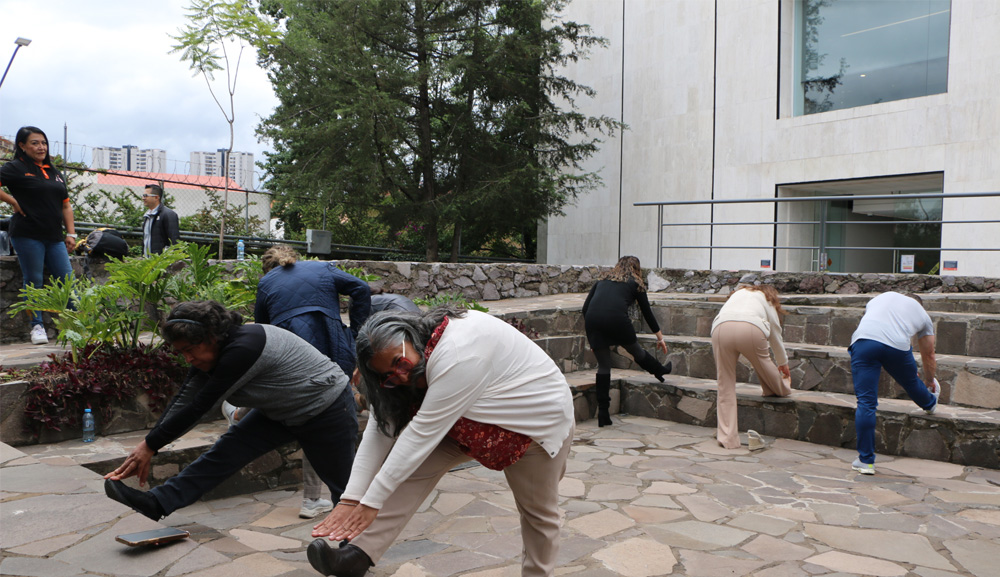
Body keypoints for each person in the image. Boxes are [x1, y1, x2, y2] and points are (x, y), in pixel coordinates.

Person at [306, 308, 575, 577]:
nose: (399, 377)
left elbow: (421, 434)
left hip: (532, 423)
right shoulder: (404, 361)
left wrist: (370, 503)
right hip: (469, 421)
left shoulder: (459, 352)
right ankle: (357, 557)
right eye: (388, 376)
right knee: (409, 472)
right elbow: (380, 429)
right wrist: (351, 499)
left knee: (539, 514)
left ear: (410, 338)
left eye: (401, 364)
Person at [103, 300, 358, 521]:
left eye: (190, 350)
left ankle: (353, 551)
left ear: (212, 337)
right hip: (283, 410)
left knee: (344, 488)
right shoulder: (217, 351)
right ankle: (157, 503)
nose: (187, 359)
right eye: (181, 353)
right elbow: (184, 399)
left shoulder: (243, 349)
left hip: (327, 406)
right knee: (223, 453)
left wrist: (151, 445)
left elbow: (199, 406)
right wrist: (149, 444)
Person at [235, 244, 371, 519]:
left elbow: (264, 332)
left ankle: (238, 413)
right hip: (332, 346)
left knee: (312, 415)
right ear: (294, 259)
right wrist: (358, 331)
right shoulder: (322, 268)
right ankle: (316, 499)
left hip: (292, 356)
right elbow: (362, 289)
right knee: (324, 415)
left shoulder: (266, 283)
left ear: (267, 267)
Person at [0, 126, 77, 345]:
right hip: (27, 234)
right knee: (33, 280)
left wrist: (70, 233)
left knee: (66, 280)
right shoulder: (15, 168)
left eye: (43, 142)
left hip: (54, 237)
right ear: (22, 146)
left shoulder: (53, 172)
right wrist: (13, 201)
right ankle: (37, 326)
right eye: (34, 143)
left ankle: (75, 323)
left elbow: (66, 206)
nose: (41, 147)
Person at [849, 291, 939, 475]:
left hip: (864, 341)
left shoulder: (881, 297)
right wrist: (930, 380)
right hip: (897, 345)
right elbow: (928, 354)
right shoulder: (923, 315)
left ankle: (866, 461)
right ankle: (930, 402)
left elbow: (871, 321)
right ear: (919, 304)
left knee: (866, 403)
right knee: (911, 380)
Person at [582, 255, 671, 426]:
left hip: (593, 321)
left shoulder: (602, 280)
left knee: (604, 366)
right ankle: (659, 370)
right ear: (636, 268)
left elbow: (586, 308)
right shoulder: (635, 282)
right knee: (636, 351)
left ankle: (603, 413)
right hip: (617, 320)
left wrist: (593, 337)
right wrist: (660, 338)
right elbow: (647, 312)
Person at [710, 285, 793, 449]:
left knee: (724, 384)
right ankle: (782, 387)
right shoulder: (765, 297)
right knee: (764, 363)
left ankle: (728, 438)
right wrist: (783, 363)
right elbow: (775, 332)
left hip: (721, 328)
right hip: (751, 327)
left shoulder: (737, 295)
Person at [141, 183, 179, 256]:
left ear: (156, 197)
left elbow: (174, 241)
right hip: (148, 262)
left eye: (146, 196)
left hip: (161, 263)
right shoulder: (147, 216)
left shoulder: (168, 214)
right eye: (143, 195)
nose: (143, 198)